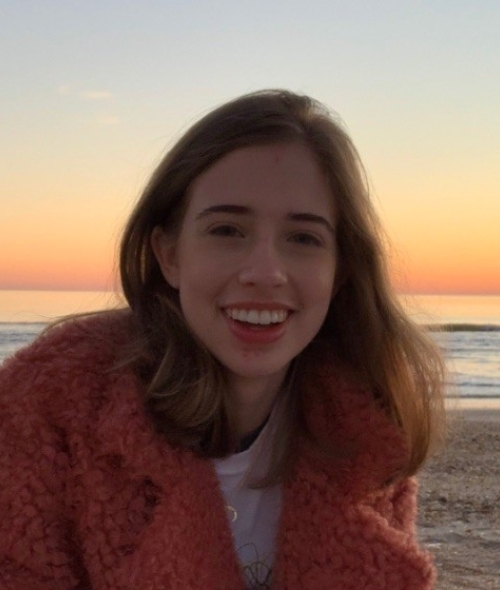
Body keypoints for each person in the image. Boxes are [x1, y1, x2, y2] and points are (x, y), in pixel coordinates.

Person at [0, 89, 446, 590]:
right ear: (169, 254)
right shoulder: (47, 408)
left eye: (303, 238)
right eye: (227, 230)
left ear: (339, 270)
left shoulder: (366, 424)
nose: (264, 272)